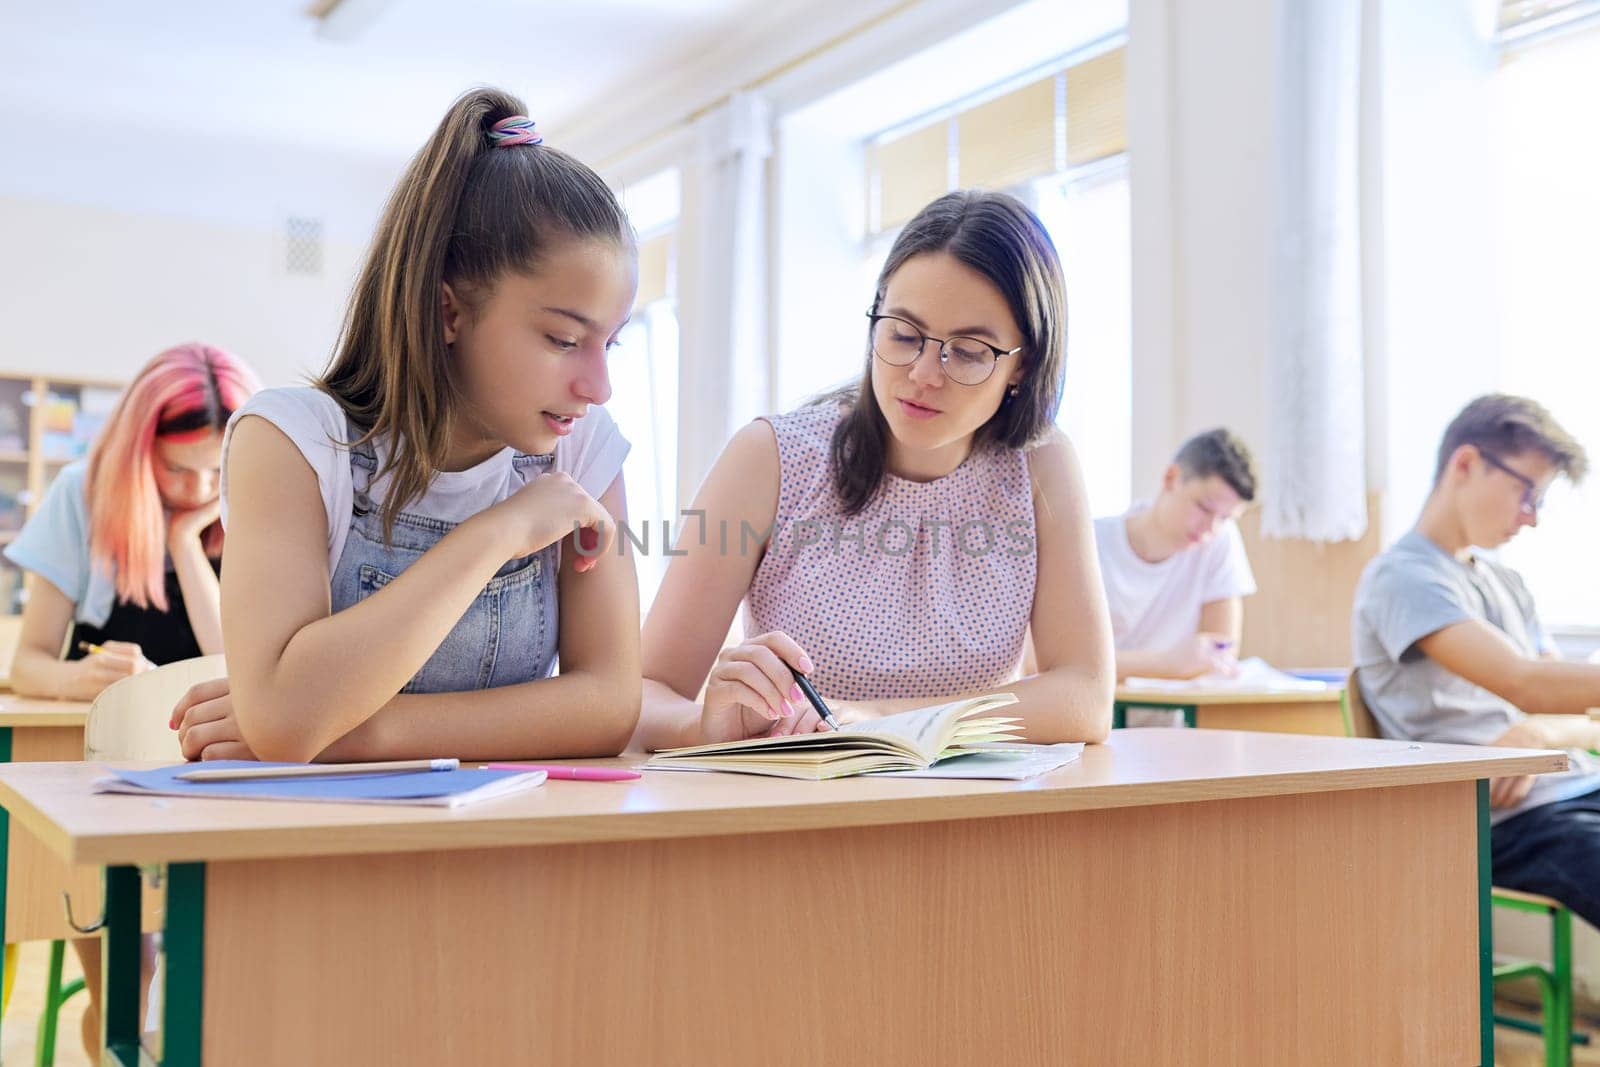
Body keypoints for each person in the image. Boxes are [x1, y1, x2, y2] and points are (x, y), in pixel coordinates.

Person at [172, 88, 641, 765]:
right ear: (448, 311)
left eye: (611, 344)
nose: (597, 386)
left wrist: (353, 730)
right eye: (563, 339)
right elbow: (282, 715)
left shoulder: (582, 445)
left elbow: (607, 707)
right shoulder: (290, 444)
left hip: (508, 852)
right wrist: (502, 530)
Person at [631, 190, 1113, 751]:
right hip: (805, 806)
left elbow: (1084, 697)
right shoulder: (772, 458)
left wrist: (881, 721)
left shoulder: (1040, 466)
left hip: (969, 811)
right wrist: (704, 728)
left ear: (1022, 366)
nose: (924, 373)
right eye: (903, 335)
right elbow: (646, 692)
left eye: (970, 350)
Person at [3, 340, 260, 1060]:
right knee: (135, 987)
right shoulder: (84, 496)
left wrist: (185, 541)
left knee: (222, 983)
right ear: (138, 448)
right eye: (180, 467)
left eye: (218, 468)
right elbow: (28, 659)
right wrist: (72, 678)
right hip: (106, 788)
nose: (199, 486)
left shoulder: (254, 510)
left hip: (216, 787)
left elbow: (243, 664)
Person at [1352, 394, 1600, 923]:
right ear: (1465, 464)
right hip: (1501, 819)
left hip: (1573, 787)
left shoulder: (1506, 582)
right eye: (1526, 493)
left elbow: (1579, 717)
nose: (1530, 518)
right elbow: (1528, 685)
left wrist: (1537, 734)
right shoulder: (1403, 577)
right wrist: (1541, 720)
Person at [1094, 428, 1257, 682]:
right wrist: (1167, 663)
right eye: (1204, 508)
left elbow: (1220, 655)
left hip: (1176, 714)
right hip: (1099, 711)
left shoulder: (1221, 540)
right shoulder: (1093, 542)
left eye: (1225, 518)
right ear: (1171, 478)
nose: (1210, 528)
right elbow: (1052, 664)